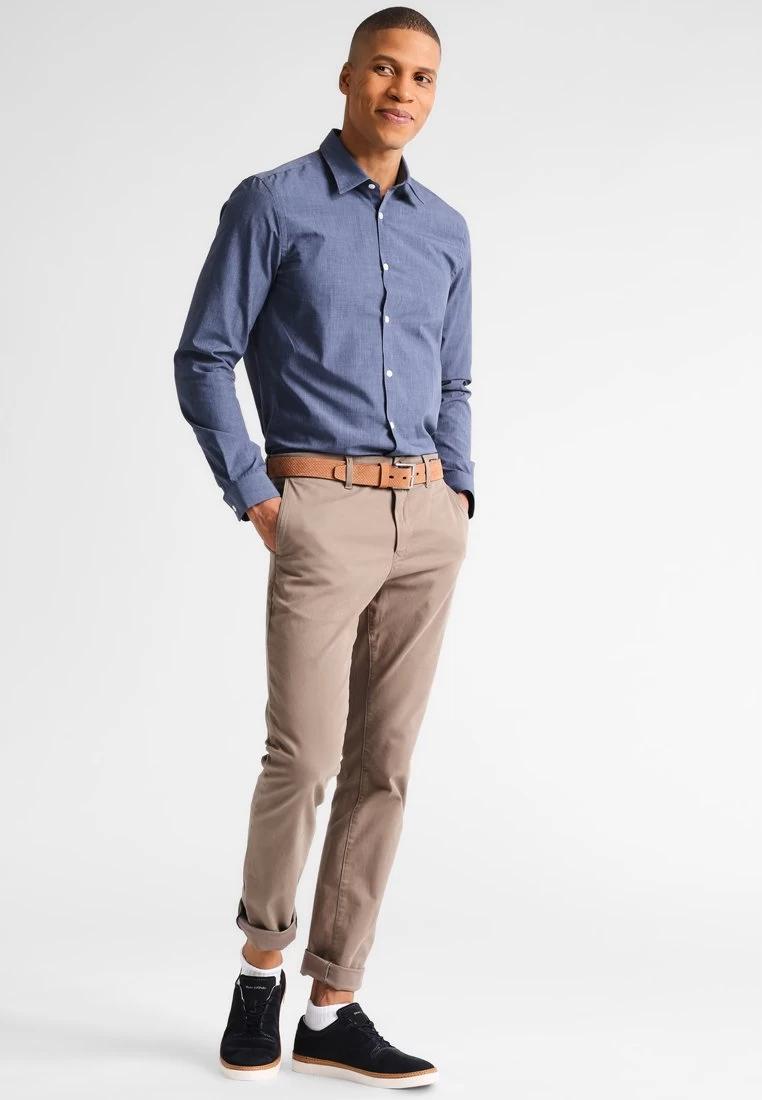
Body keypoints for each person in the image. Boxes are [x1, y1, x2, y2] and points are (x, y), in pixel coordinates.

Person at [173, 5, 474, 1088]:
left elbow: (455, 377)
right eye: (385, 69)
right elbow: (204, 356)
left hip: (426, 519)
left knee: (384, 764)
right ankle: (260, 971)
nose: (403, 91)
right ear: (348, 77)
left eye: (423, 77)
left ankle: (334, 1004)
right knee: (303, 755)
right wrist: (259, 496)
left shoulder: (447, 229)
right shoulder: (274, 202)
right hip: (318, 507)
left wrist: (460, 491)